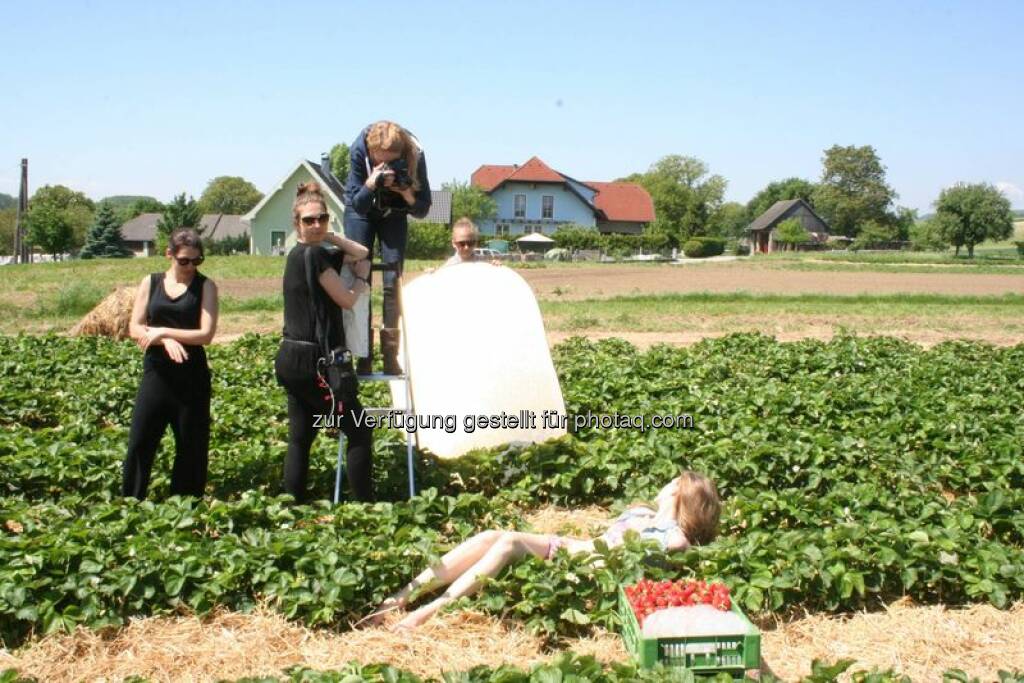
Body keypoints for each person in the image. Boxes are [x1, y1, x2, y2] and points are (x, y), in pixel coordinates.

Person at [369, 470, 721, 629]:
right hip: (568, 550)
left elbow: (675, 545)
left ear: (678, 492)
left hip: (581, 572)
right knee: (494, 534)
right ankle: (402, 596)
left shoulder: (673, 536)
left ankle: (430, 610)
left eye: (671, 482)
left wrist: (669, 525)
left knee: (508, 542)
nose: (663, 485)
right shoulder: (641, 513)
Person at [275, 182, 375, 502]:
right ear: (296, 224)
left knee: (301, 437)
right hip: (316, 364)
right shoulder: (316, 255)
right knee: (360, 430)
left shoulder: (299, 253)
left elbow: (361, 252)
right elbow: (346, 300)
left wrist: (328, 236)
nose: (316, 224)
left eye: (322, 218)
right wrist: (361, 281)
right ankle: (366, 506)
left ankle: (293, 505)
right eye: (309, 221)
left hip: (290, 358)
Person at [123, 228, 219, 500]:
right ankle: (132, 501)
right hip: (157, 373)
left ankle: (185, 507)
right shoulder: (150, 282)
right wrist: (163, 341)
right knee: (141, 440)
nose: (190, 267)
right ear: (169, 254)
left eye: (197, 261)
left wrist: (163, 332)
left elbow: (206, 334)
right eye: (184, 261)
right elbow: (135, 328)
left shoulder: (205, 286)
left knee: (191, 445)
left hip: (192, 375)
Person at [343, 120, 431, 375]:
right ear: (370, 153)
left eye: (392, 161)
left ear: (402, 153)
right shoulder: (358, 149)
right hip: (361, 211)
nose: (387, 167)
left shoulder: (416, 152)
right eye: (381, 161)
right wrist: (372, 182)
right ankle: (363, 354)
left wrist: (405, 191)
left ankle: (391, 355)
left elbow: (423, 209)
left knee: (393, 281)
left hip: (395, 212)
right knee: (360, 281)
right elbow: (358, 205)